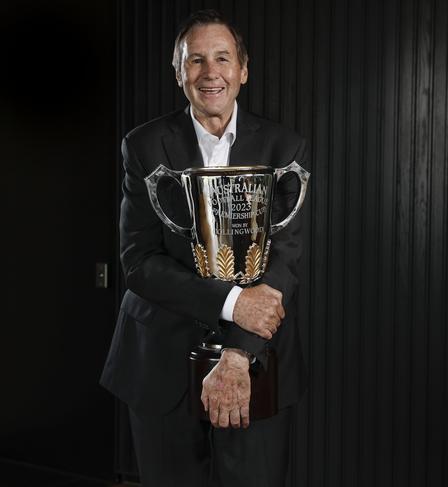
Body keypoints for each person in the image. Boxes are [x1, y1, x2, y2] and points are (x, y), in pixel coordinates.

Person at [100, 9, 307, 487]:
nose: (210, 72)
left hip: (257, 358)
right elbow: (139, 263)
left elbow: (285, 262)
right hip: (159, 361)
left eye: (222, 58)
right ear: (179, 73)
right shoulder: (145, 145)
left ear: (243, 70)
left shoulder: (284, 147)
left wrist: (237, 355)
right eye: (195, 60)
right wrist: (234, 302)